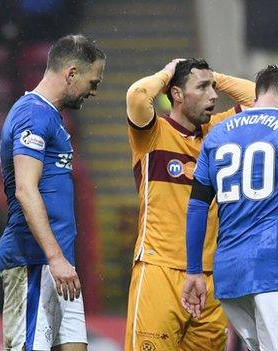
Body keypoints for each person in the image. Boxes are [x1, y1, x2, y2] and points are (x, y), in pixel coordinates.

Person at [124, 58, 256, 350]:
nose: (214, 94)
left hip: (210, 276)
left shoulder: (219, 133)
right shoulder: (152, 134)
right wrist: (170, 72)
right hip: (159, 268)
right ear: (177, 95)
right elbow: (137, 95)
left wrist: (213, 76)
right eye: (202, 88)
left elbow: (262, 100)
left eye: (214, 87)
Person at [0, 34, 105, 351]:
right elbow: (26, 191)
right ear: (71, 73)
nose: (94, 92)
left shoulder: (52, 117)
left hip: (59, 265)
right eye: (92, 82)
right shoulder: (33, 114)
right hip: (34, 260)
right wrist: (54, 258)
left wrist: (61, 261)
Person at [183, 65, 278, 351]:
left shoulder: (217, 135)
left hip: (230, 274)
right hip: (271, 267)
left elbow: (197, 206)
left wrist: (194, 271)